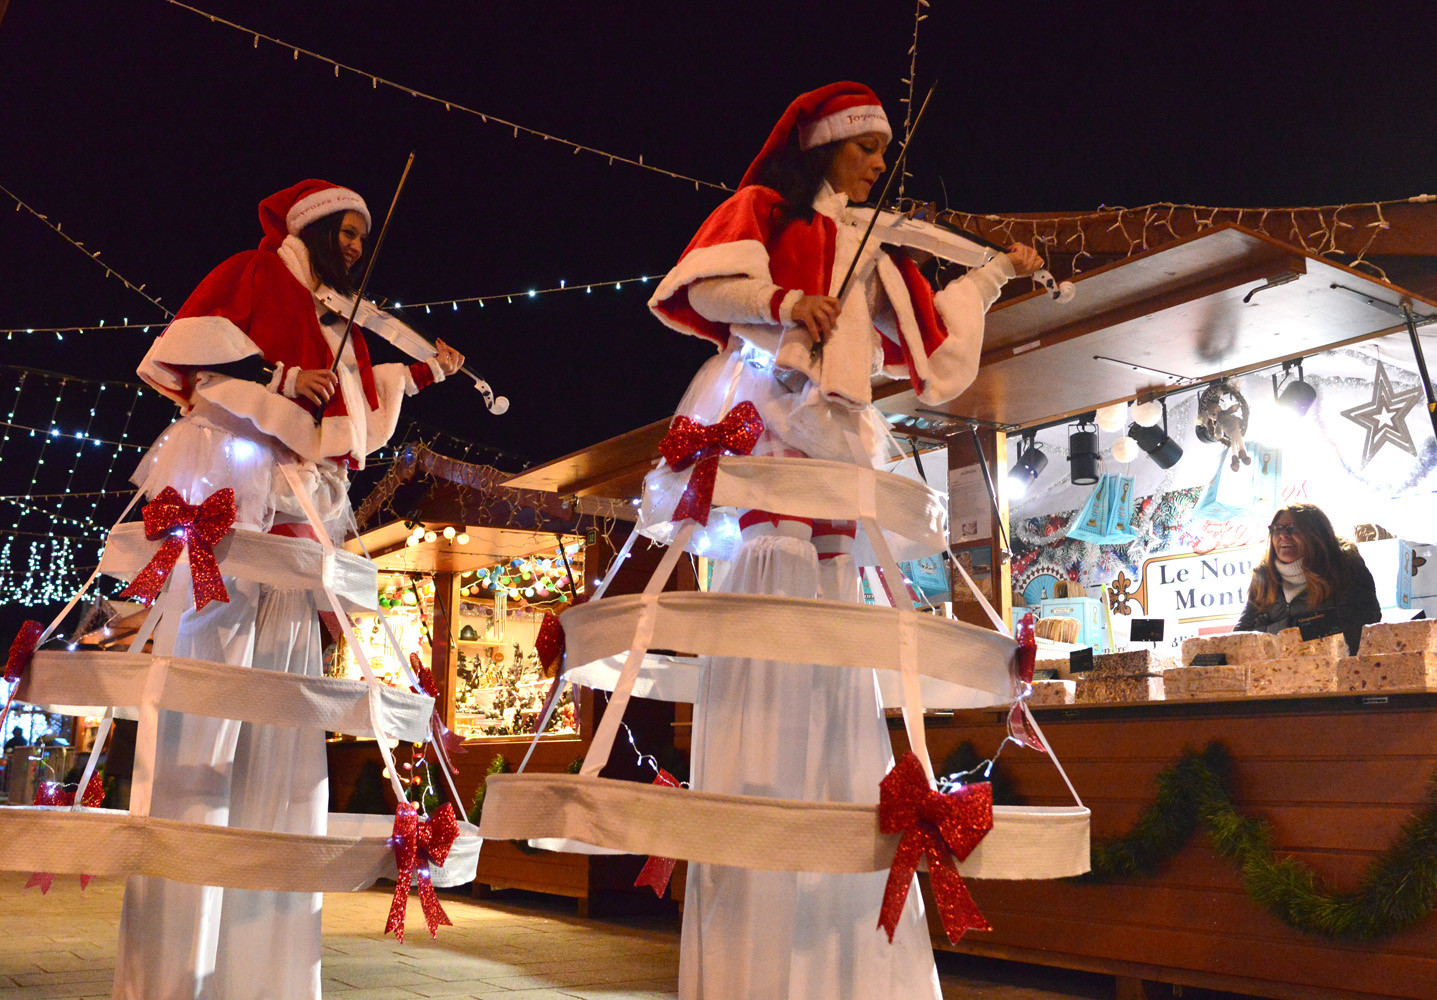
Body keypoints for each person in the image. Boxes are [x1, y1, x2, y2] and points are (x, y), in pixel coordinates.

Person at [646, 82, 1041, 1000]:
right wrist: (786, 302)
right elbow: (700, 283)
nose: (876, 164)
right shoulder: (771, 211)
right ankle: (766, 933)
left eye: (880, 151)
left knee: (835, 630)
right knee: (780, 606)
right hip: (777, 439)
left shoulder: (876, 249)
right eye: (867, 147)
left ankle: (831, 951)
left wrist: (989, 275)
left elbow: (935, 356)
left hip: (838, 465)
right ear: (825, 143)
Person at [116, 179, 462, 1000]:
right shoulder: (251, 273)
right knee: (208, 715)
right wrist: (276, 379)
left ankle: (261, 977)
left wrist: (414, 376)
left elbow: (345, 419)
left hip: (301, 520)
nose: (355, 243)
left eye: (361, 234)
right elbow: (185, 365)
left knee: (286, 717)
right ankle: (174, 972)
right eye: (346, 228)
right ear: (310, 222)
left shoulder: (337, 316)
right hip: (238, 512)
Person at [1235, 504, 1381, 654]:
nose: (1283, 535)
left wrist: (1269, 629)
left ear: (1316, 534)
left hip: (1335, 673)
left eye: (1293, 528)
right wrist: (1312, 625)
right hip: (1278, 675)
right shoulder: (1263, 578)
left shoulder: (1346, 568)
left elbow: (1357, 627)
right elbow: (1239, 642)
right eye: (1277, 528)